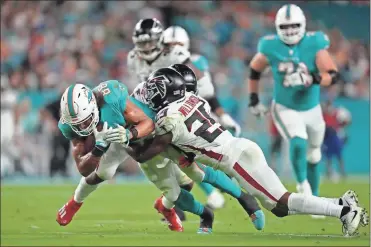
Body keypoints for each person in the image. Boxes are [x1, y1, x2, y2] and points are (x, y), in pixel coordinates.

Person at [118, 67, 368, 237]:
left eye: (156, 92)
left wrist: (123, 137)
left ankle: (343, 210)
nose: (150, 96)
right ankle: (341, 205)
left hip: (235, 160)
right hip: (242, 148)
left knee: (280, 203)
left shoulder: (168, 120)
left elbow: (145, 154)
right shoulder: (195, 101)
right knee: (280, 203)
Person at [56, 80, 264, 233]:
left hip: (140, 136)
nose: (81, 128)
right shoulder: (70, 125)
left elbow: (148, 123)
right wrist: (100, 147)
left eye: (84, 122)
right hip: (123, 143)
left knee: (190, 178)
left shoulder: (113, 99)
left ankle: (170, 207)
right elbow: (83, 167)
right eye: (76, 124)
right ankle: (74, 203)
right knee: (104, 171)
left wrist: (129, 134)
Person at [127, 18, 239, 212]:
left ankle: (223, 191)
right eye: (142, 43)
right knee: (169, 160)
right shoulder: (133, 59)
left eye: (149, 42)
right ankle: (178, 205)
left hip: (179, 111)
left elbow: (202, 87)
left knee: (189, 156)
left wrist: (220, 113)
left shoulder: (177, 56)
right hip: (155, 113)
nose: (146, 47)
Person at [246, 4, 338, 206]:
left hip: (312, 108)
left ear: (303, 24)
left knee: (314, 154)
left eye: (294, 25)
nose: (289, 31)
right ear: (278, 27)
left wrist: (313, 78)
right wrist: (253, 98)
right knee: (298, 141)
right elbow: (254, 70)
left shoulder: (315, 43)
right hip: (284, 106)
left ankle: (314, 197)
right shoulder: (270, 45)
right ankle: (302, 184)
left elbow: (332, 74)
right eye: (285, 26)